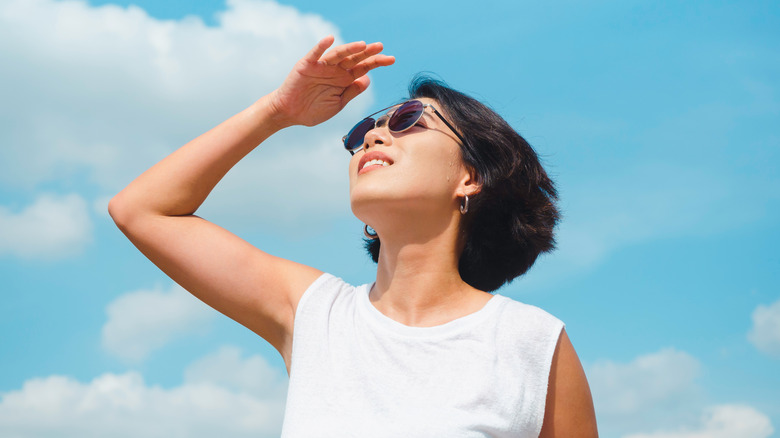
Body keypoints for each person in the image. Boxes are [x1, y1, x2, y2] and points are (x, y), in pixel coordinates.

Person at [109, 36, 598, 437]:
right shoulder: (315, 315)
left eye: (408, 120)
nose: (373, 135)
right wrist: (277, 111)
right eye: (363, 130)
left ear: (470, 178)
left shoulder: (531, 341)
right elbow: (141, 210)